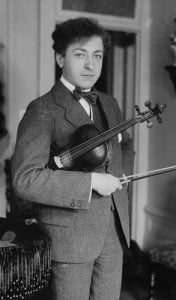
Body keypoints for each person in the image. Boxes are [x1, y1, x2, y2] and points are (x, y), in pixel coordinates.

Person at [12, 17, 135, 300]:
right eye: (80, 55)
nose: (91, 65)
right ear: (59, 57)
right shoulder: (42, 110)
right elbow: (25, 179)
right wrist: (91, 182)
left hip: (113, 233)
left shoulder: (110, 104)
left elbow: (125, 145)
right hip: (69, 238)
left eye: (97, 56)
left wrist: (121, 177)